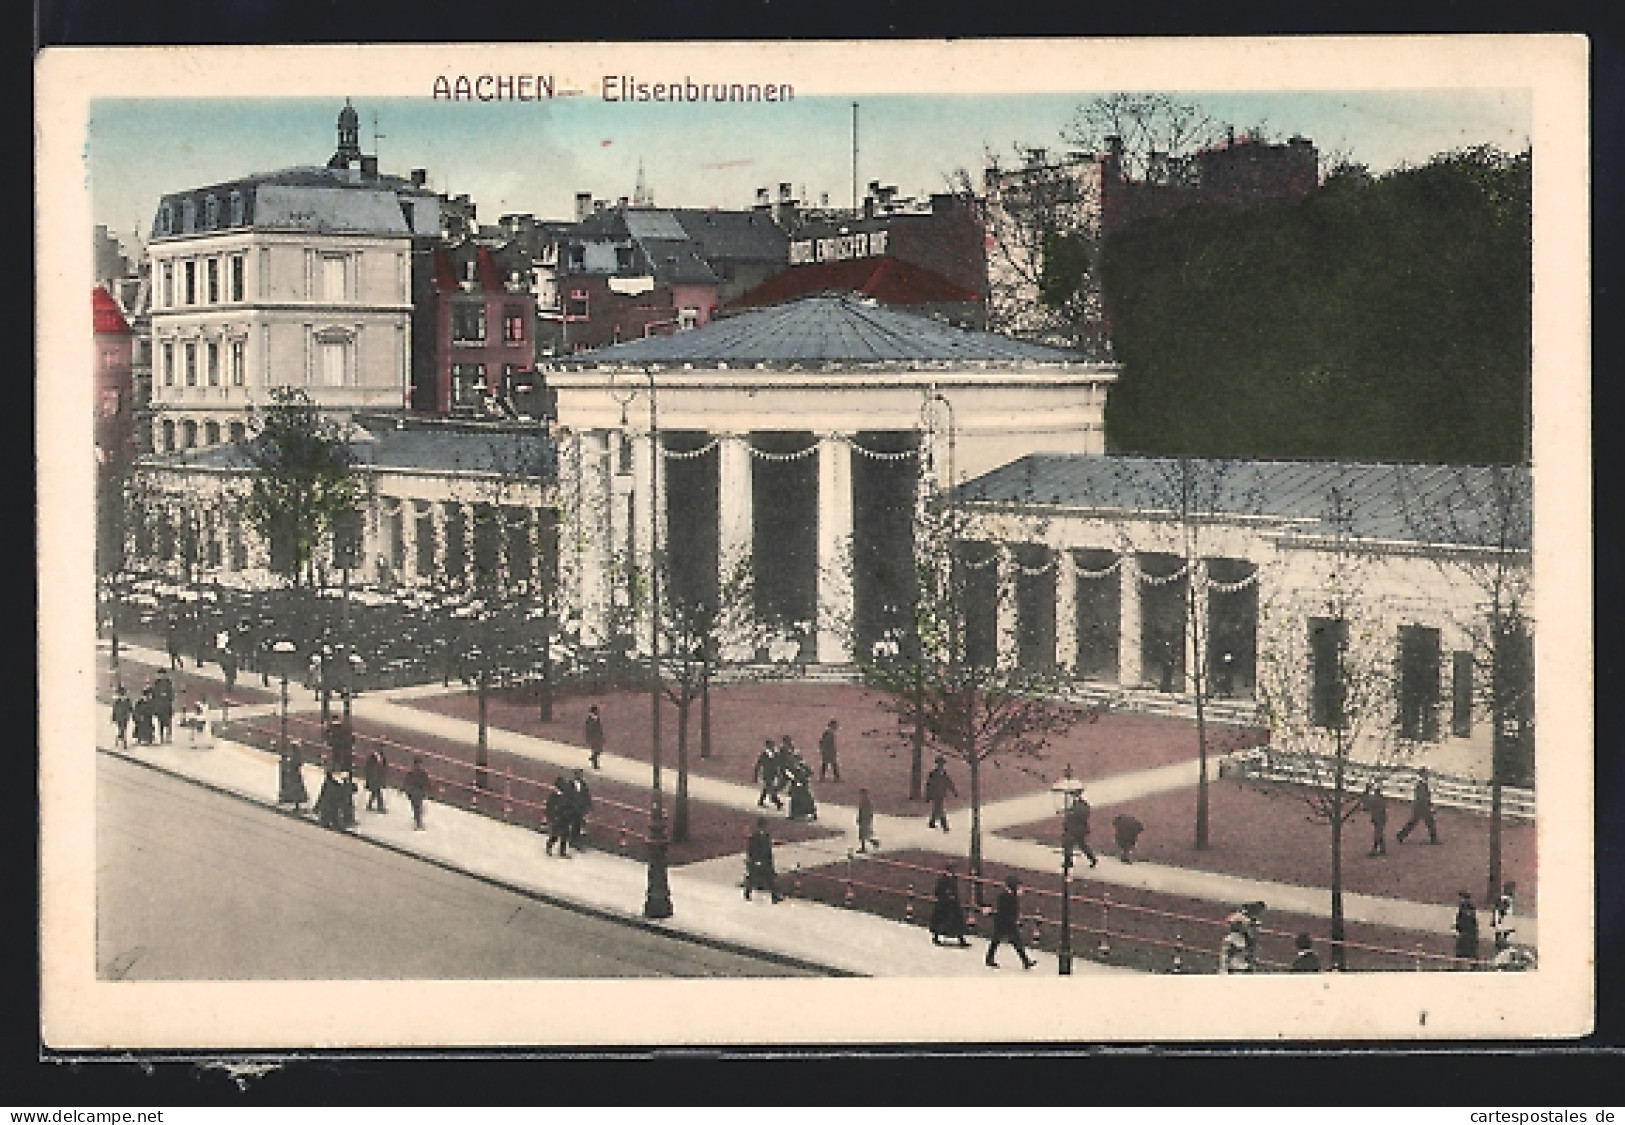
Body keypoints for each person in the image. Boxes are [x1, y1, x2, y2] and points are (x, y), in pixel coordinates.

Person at [985, 875, 1034, 969]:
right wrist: (1014, 921)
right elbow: (1004, 911)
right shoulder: (1006, 897)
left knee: (1013, 942)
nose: (1020, 889)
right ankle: (1025, 961)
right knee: (999, 941)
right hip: (1004, 922)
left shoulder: (1011, 896)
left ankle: (1026, 961)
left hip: (1006, 922)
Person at [929, 862, 970, 947]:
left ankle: (961, 939)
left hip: (953, 903)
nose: (952, 873)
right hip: (943, 903)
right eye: (951, 871)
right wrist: (946, 895)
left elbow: (955, 890)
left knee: (957, 921)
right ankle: (936, 937)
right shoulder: (942, 880)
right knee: (940, 920)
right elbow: (937, 892)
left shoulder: (954, 879)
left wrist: (954, 897)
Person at [1395, 767, 1441, 845]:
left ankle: (1401, 835)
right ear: (1423, 775)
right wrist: (1429, 806)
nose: (1427, 776)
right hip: (1421, 807)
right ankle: (1433, 839)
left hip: (1419, 806)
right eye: (1426, 774)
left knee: (1415, 822)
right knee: (1428, 822)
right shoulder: (1421, 785)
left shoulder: (1421, 784)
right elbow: (1423, 798)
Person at [743, 817, 783, 902]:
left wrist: (770, 863)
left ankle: (774, 895)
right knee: (753, 878)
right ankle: (747, 892)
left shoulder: (766, 836)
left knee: (770, 879)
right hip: (756, 861)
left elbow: (768, 850)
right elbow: (751, 850)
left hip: (765, 861)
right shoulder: (755, 837)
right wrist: (752, 860)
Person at [1063, 788, 1099, 868]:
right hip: (1080, 829)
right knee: (1082, 845)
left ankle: (1068, 861)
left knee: (1068, 844)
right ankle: (1092, 859)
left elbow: (1075, 816)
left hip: (1074, 828)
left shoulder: (1078, 806)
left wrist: (1069, 814)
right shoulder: (1083, 804)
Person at [925, 755, 958, 832]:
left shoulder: (944, 774)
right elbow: (929, 785)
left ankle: (932, 822)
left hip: (941, 794)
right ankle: (944, 825)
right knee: (940, 809)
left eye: (942, 765)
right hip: (935, 794)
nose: (941, 766)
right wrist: (928, 795)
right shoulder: (933, 774)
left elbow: (949, 783)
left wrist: (954, 791)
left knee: (937, 808)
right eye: (940, 765)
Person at [754, 739, 784, 810]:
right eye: (771, 745)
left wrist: (779, 772)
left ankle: (761, 801)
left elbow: (778, 763)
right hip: (767, 774)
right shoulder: (764, 755)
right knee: (770, 787)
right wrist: (756, 774)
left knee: (767, 787)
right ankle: (777, 802)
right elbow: (758, 765)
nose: (772, 747)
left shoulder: (775, 754)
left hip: (773, 773)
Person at [545, 777, 572, 857]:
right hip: (557, 817)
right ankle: (549, 847)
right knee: (555, 835)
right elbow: (549, 808)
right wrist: (552, 817)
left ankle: (561, 851)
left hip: (564, 817)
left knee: (564, 835)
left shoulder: (564, 795)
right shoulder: (554, 796)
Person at [1453, 890, 1480, 969]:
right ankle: (1473, 965)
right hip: (1470, 933)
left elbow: (1464, 921)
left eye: (1461, 898)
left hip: (1466, 933)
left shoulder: (1464, 908)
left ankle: (1459, 966)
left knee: (1462, 951)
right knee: (1471, 951)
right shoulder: (1470, 908)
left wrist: (1458, 927)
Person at [278, 742, 309, 810]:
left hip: (294, 774)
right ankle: (296, 804)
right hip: (295, 774)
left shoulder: (295, 755)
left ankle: (294, 803)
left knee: (295, 789)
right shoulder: (296, 755)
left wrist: (290, 765)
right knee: (296, 789)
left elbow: (296, 763)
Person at [786, 757, 818, 821]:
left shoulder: (803, 767)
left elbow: (810, 773)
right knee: (794, 799)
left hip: (803, 785)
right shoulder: (793, 768)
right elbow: (788, 775)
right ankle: (793, 814)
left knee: (806, 799)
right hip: (795, 785)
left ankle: (812, 812)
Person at [566, 768, 592, 849]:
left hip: (580, 809)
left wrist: (588, 807)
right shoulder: (569, 784)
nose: (579, 776)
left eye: (580, 775)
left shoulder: (584, 785)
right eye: (578, 774)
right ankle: (571, 841)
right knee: (572, 825)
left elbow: (587, 796)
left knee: (578, 825)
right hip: (572, 808)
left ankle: (576, 842)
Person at [1363, 779, 1389, 856]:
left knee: (1378, 834)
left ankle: (1375, 850)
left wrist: (1366, 790)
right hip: (1381, 818)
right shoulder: (1381, 799)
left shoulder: (1375, 799)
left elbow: (1366, 802)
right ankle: (1382, 849)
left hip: (1378, 818)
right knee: (1379, 833)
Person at [403, 757, 430, 830]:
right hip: (415, 792)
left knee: (417, 807)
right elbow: (407, 782)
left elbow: (426, 783)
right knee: (417, 807)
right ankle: (418, 822)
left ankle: (418, 821)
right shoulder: (415, 773)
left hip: (417, 792)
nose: (418, 766)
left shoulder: (417, 773)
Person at [152, 670, 175, 744]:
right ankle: (161, 737)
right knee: (160, 722)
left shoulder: (168, 683)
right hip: (159, 706)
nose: (161, 676)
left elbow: (171, 694)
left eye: (162, 674)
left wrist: (167, 697)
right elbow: (154, 694)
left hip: (167, 705)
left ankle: (168, 736)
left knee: (168, 722)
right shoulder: (156, 683)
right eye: (160, 674)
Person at [363, 748, 388, 813]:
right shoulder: (372, 760)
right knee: (378, 792)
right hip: (374, 779)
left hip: (375, 779)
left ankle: (370, 805)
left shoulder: (375, 759)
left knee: (374, 792)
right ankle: (380, 807)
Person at [855, 787, 879, 853]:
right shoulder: (863, 801)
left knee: (864, 834)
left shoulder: (867, 802)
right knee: (863, 834)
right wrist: (859, 818)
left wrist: (868, 818)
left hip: (865, 819)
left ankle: (869, 845)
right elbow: (860, 811)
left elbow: (869, 811)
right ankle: (872, 844)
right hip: (863, 819)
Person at [584, 704, 605, 769]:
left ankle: (593, 758)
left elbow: (599, 727)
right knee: (596, 749)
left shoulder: (596, 718)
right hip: (593, 736)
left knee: (599, 750)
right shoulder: (590, 719)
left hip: (598, 736)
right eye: (596, 710)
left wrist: (602, 735)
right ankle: (595, 763)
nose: (597, 712)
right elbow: (589, 728)